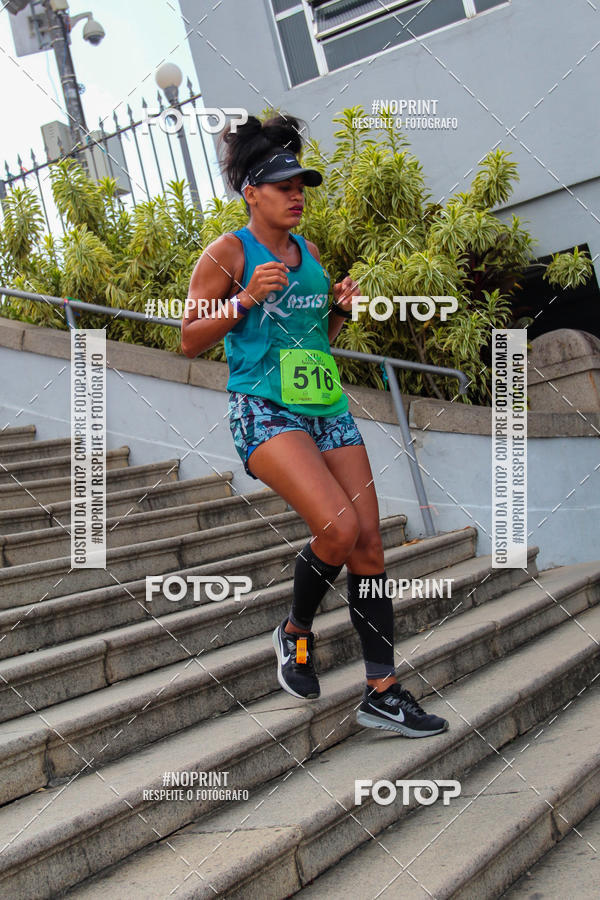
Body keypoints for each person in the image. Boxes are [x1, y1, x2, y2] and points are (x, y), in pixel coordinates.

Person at [181, 114, 448, 738]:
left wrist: (340, 313)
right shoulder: (227, 253)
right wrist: (244, 299)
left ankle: (381, 691)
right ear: (252, 193)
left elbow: (315, 341)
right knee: (337, 527)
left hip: (325, 405)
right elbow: (190, 338)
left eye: (301, 186)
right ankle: (295, 631)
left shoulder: (311, 256)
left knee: (369, 545)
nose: (297, 195)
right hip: (264, 409)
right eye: (284, 187)